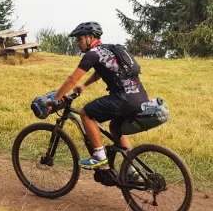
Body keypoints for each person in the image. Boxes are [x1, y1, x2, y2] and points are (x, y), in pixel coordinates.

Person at [52, 21, 149, 169]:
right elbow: (103, 70)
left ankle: (99, 156)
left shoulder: (92, 54)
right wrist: (85, 85)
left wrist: (55, 99)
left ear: (90, 37)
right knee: (115, 128)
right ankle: (131, 170)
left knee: (86, 113)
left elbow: (72, 79)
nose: (78, 43)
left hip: (123, 98)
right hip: (140, 97)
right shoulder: (108, 49)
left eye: (80, 39)